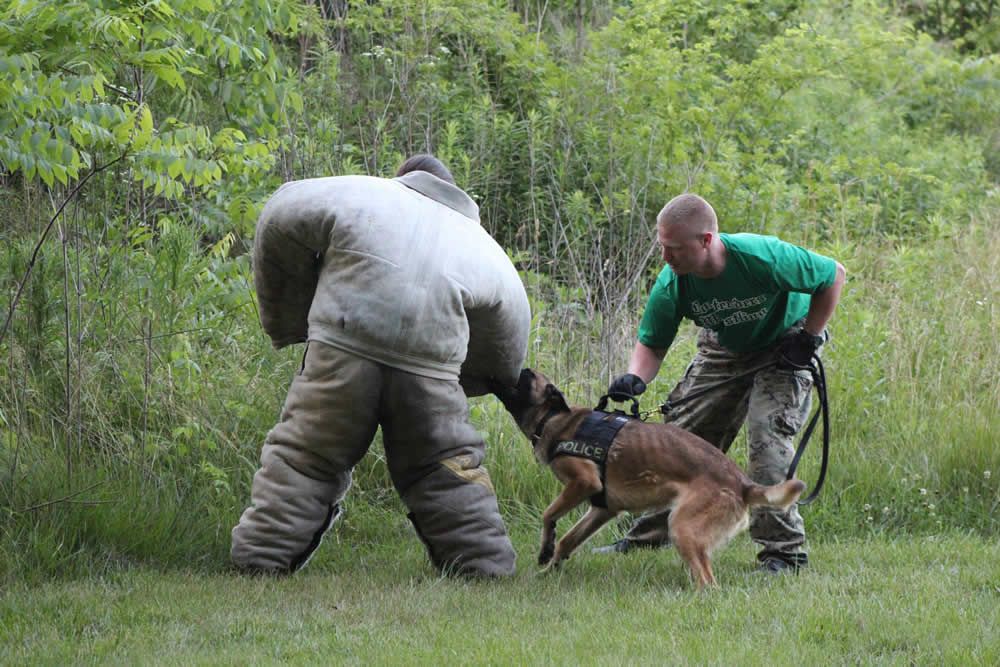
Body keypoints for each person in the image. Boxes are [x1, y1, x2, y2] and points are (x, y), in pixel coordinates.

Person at [231, 154, 530, 577]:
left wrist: (290, 320)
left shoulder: (361, 195)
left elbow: (279, 215)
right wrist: (461, 379)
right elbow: (508, 347)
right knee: (445, 466)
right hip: (431, 368)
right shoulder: (486, 250)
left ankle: (261, 559)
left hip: (343, 344)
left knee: (307, 455)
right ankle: (483, 567)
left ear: (403, 178)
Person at [594, 193, 846, 574]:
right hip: (725, 346)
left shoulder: (761, 257)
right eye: (662, 246)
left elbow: (834, 275)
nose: (665, 257)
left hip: (786, 344)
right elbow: (652, 344)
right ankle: (648, 536)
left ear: (706, 241)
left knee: (767, 437)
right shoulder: (673, 283)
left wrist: (809, 338)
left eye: (675, 248)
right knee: (679, 440)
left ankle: (784, 554)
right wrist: (634, 378)